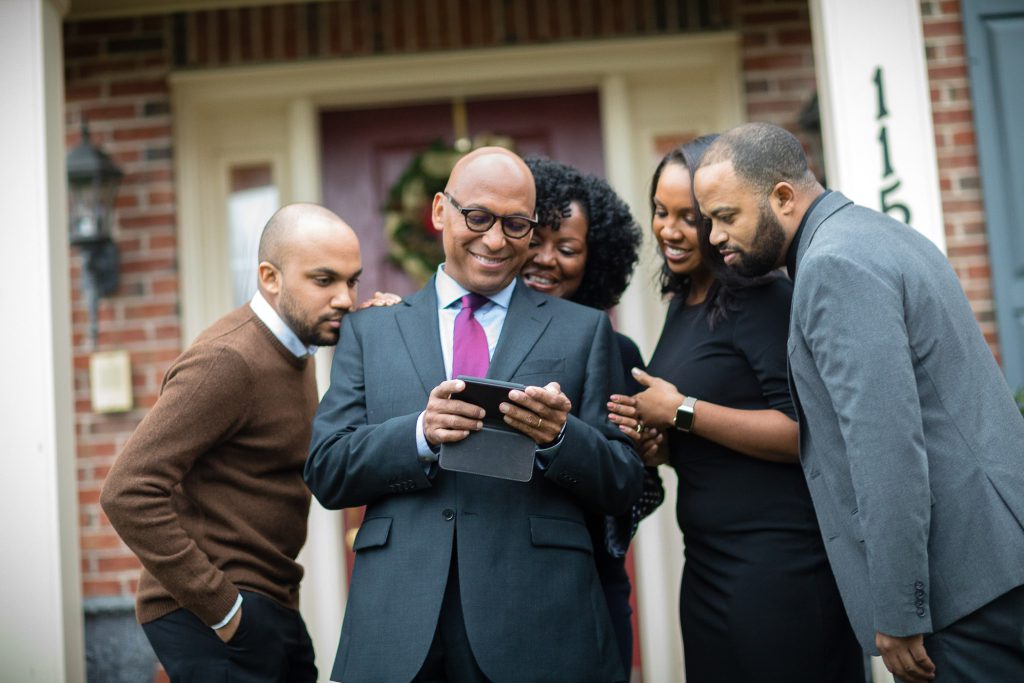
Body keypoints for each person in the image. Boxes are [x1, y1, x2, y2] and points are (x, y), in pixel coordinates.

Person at [694, 121, 1024, 683]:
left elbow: (886, 446)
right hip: (996, 561)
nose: (715, 237)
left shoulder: (833, 267)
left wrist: (899, 609)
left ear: (782, 196)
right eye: (710, 221)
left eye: (727, 217)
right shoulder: (875, 234)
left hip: (964, 586)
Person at [305, 147, 645, 683]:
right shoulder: (371, 331)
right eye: (478, 217)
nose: (494, 240)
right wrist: (419, 433)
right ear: (441, 210)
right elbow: (326, 469)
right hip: (399, 625)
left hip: (540, 622)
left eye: (515, 225)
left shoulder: (583, 331)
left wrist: (561, 438)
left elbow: (625, 482)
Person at [609, 136, 863, 683]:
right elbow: (718, 437)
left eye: (690, 217)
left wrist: (680, 412)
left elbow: (807, 432)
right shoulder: (686, 300)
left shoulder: (763, 297)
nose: (670, 230)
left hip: (779, 567)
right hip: (706, 562)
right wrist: (663, 445)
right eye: (660, 211)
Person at [100, 203, 363, 682]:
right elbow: (127, 490)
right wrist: (225, 611)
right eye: (324, 280)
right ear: (270, 277)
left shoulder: (296, 351)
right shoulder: (228, 359)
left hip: (270, 603)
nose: (345, 298)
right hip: (216, 613)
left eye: (352, 281)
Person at [521, 155, 663, 677]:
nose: (546, 259)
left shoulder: (618, 352)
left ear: (595, 259)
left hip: (588, 581)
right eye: (534, 239)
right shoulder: (474, 339)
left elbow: (633, 486)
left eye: (568, 248)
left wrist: (648, 453)